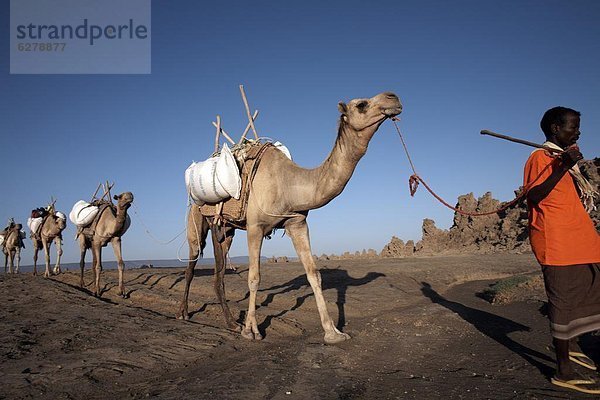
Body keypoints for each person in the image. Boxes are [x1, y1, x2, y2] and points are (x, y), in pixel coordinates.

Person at [524, 106, 600, 394]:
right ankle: (563, 372)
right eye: (573, 126)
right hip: (558, 243)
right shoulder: (539, 157)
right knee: (563, 302)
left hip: (582, 240)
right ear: (555, 129)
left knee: (592, 292)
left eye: (579, 126)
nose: (578, 131)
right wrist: (563, 167)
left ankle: (576, 344)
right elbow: (534, 195)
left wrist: (571, 165)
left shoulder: (561, 158)